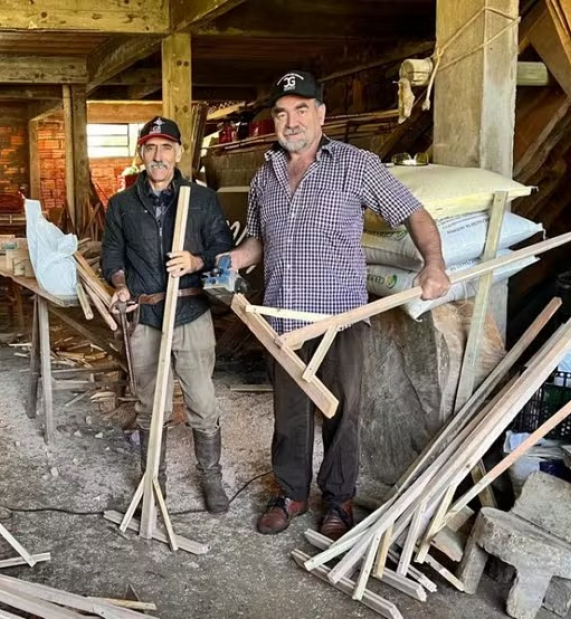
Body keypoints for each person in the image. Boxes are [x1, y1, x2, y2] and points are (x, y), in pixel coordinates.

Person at [224, 70, 452, 540]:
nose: (291, 121)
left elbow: (413, 213)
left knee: (343, 412)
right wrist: (233, 260)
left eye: (301, 110)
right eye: (281, 113)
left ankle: (338, 500)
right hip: (282, 320)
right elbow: (258, 241)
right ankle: (291, 493)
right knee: (289, 414)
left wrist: (434, 263)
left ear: (321, 114)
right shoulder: (264, 176)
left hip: (339, 318)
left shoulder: (356, 165)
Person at [102, 116, 235, 513]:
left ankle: (211, 477)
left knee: (203, 402)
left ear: (178, 152)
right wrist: (120, 283)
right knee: (149, 405)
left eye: (165, 148)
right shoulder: (122, 204)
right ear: (140, 153)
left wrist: (196, 261)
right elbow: (112, 254)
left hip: (191, 311)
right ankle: (153, 481)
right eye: (150, 148)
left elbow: (223, 250)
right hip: (147, 316)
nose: (158, 156)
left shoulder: (202, 199)